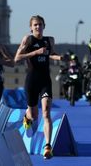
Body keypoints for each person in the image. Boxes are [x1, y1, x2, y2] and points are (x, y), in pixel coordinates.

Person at [14, 15, 61, 160]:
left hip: (45, 80)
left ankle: (47, 146)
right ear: (31, 27)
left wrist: (60, 58)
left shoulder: (49, 40)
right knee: (34, 115)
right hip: (32, 80)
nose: (38, 27)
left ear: (44, 26)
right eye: (35, 25)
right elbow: (17, 58)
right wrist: (35, 52)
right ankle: (26, 117)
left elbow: (51, 54)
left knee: (46, 112)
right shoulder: (28, 40)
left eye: (40, 25)